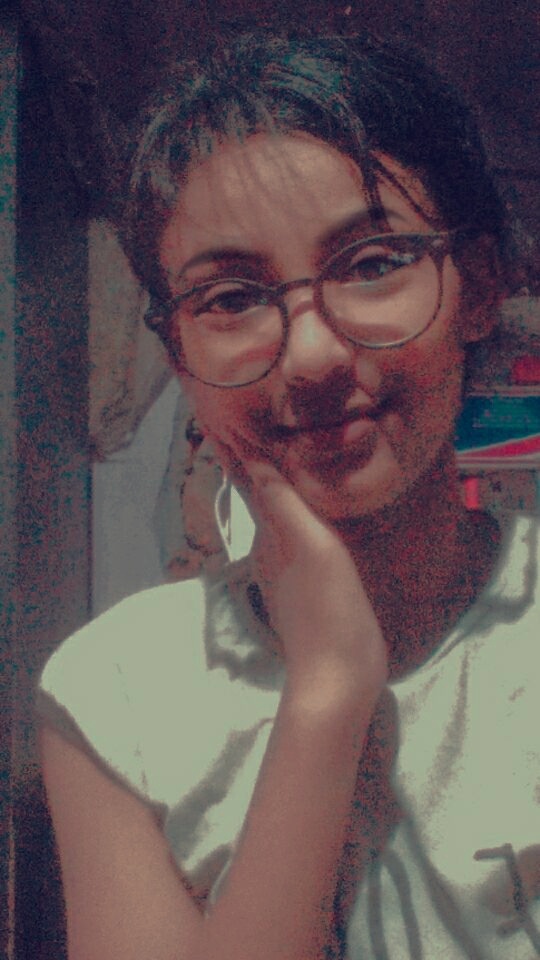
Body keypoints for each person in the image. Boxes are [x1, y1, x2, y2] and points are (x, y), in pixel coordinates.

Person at [37, 28, 540, 960]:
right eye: (229, 296)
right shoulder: (113, 692)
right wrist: (328, 691)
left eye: (373, 262)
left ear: (477, 286)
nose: (311, 356)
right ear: (178, 352)